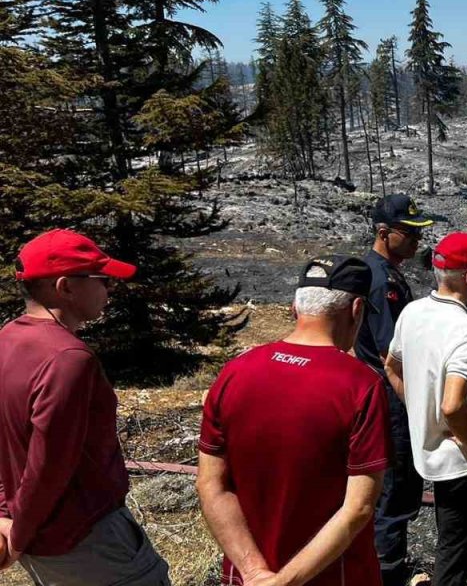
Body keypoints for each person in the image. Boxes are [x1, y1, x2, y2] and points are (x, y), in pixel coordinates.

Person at [197, 255, 390, 585]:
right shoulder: (361, 385)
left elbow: (210, 484)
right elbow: (358, 508)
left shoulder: (235, 372)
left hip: (246, 576)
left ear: (295, 307)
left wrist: (255, 572)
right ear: (356, 310)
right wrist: (283, 582)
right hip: (333, 576)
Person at [0, 229, 169, 585]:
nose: (109, 288)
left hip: (41, 534)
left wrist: (7, 514)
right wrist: (19, 536)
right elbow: (50, 463)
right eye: (101, 279)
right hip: (85, 537)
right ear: (65, 287)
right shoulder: (69, 358)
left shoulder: (8, 338)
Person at [386, 232, 467, 586]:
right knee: (453, 545)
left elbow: (391, 366)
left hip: (427, 450)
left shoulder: (412, 312)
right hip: (460, 460)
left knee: (458, 533)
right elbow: (453, 405)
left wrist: (418, 406)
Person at [355, 193, 433, 586]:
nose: (417, 241)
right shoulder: (380, 279)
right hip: (391, 394)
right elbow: (391, 353)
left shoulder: (387, 273)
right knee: (395, 491)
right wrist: (414, 402)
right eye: (410, 233)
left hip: (387, 390)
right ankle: (387, 572)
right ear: (384, 233)